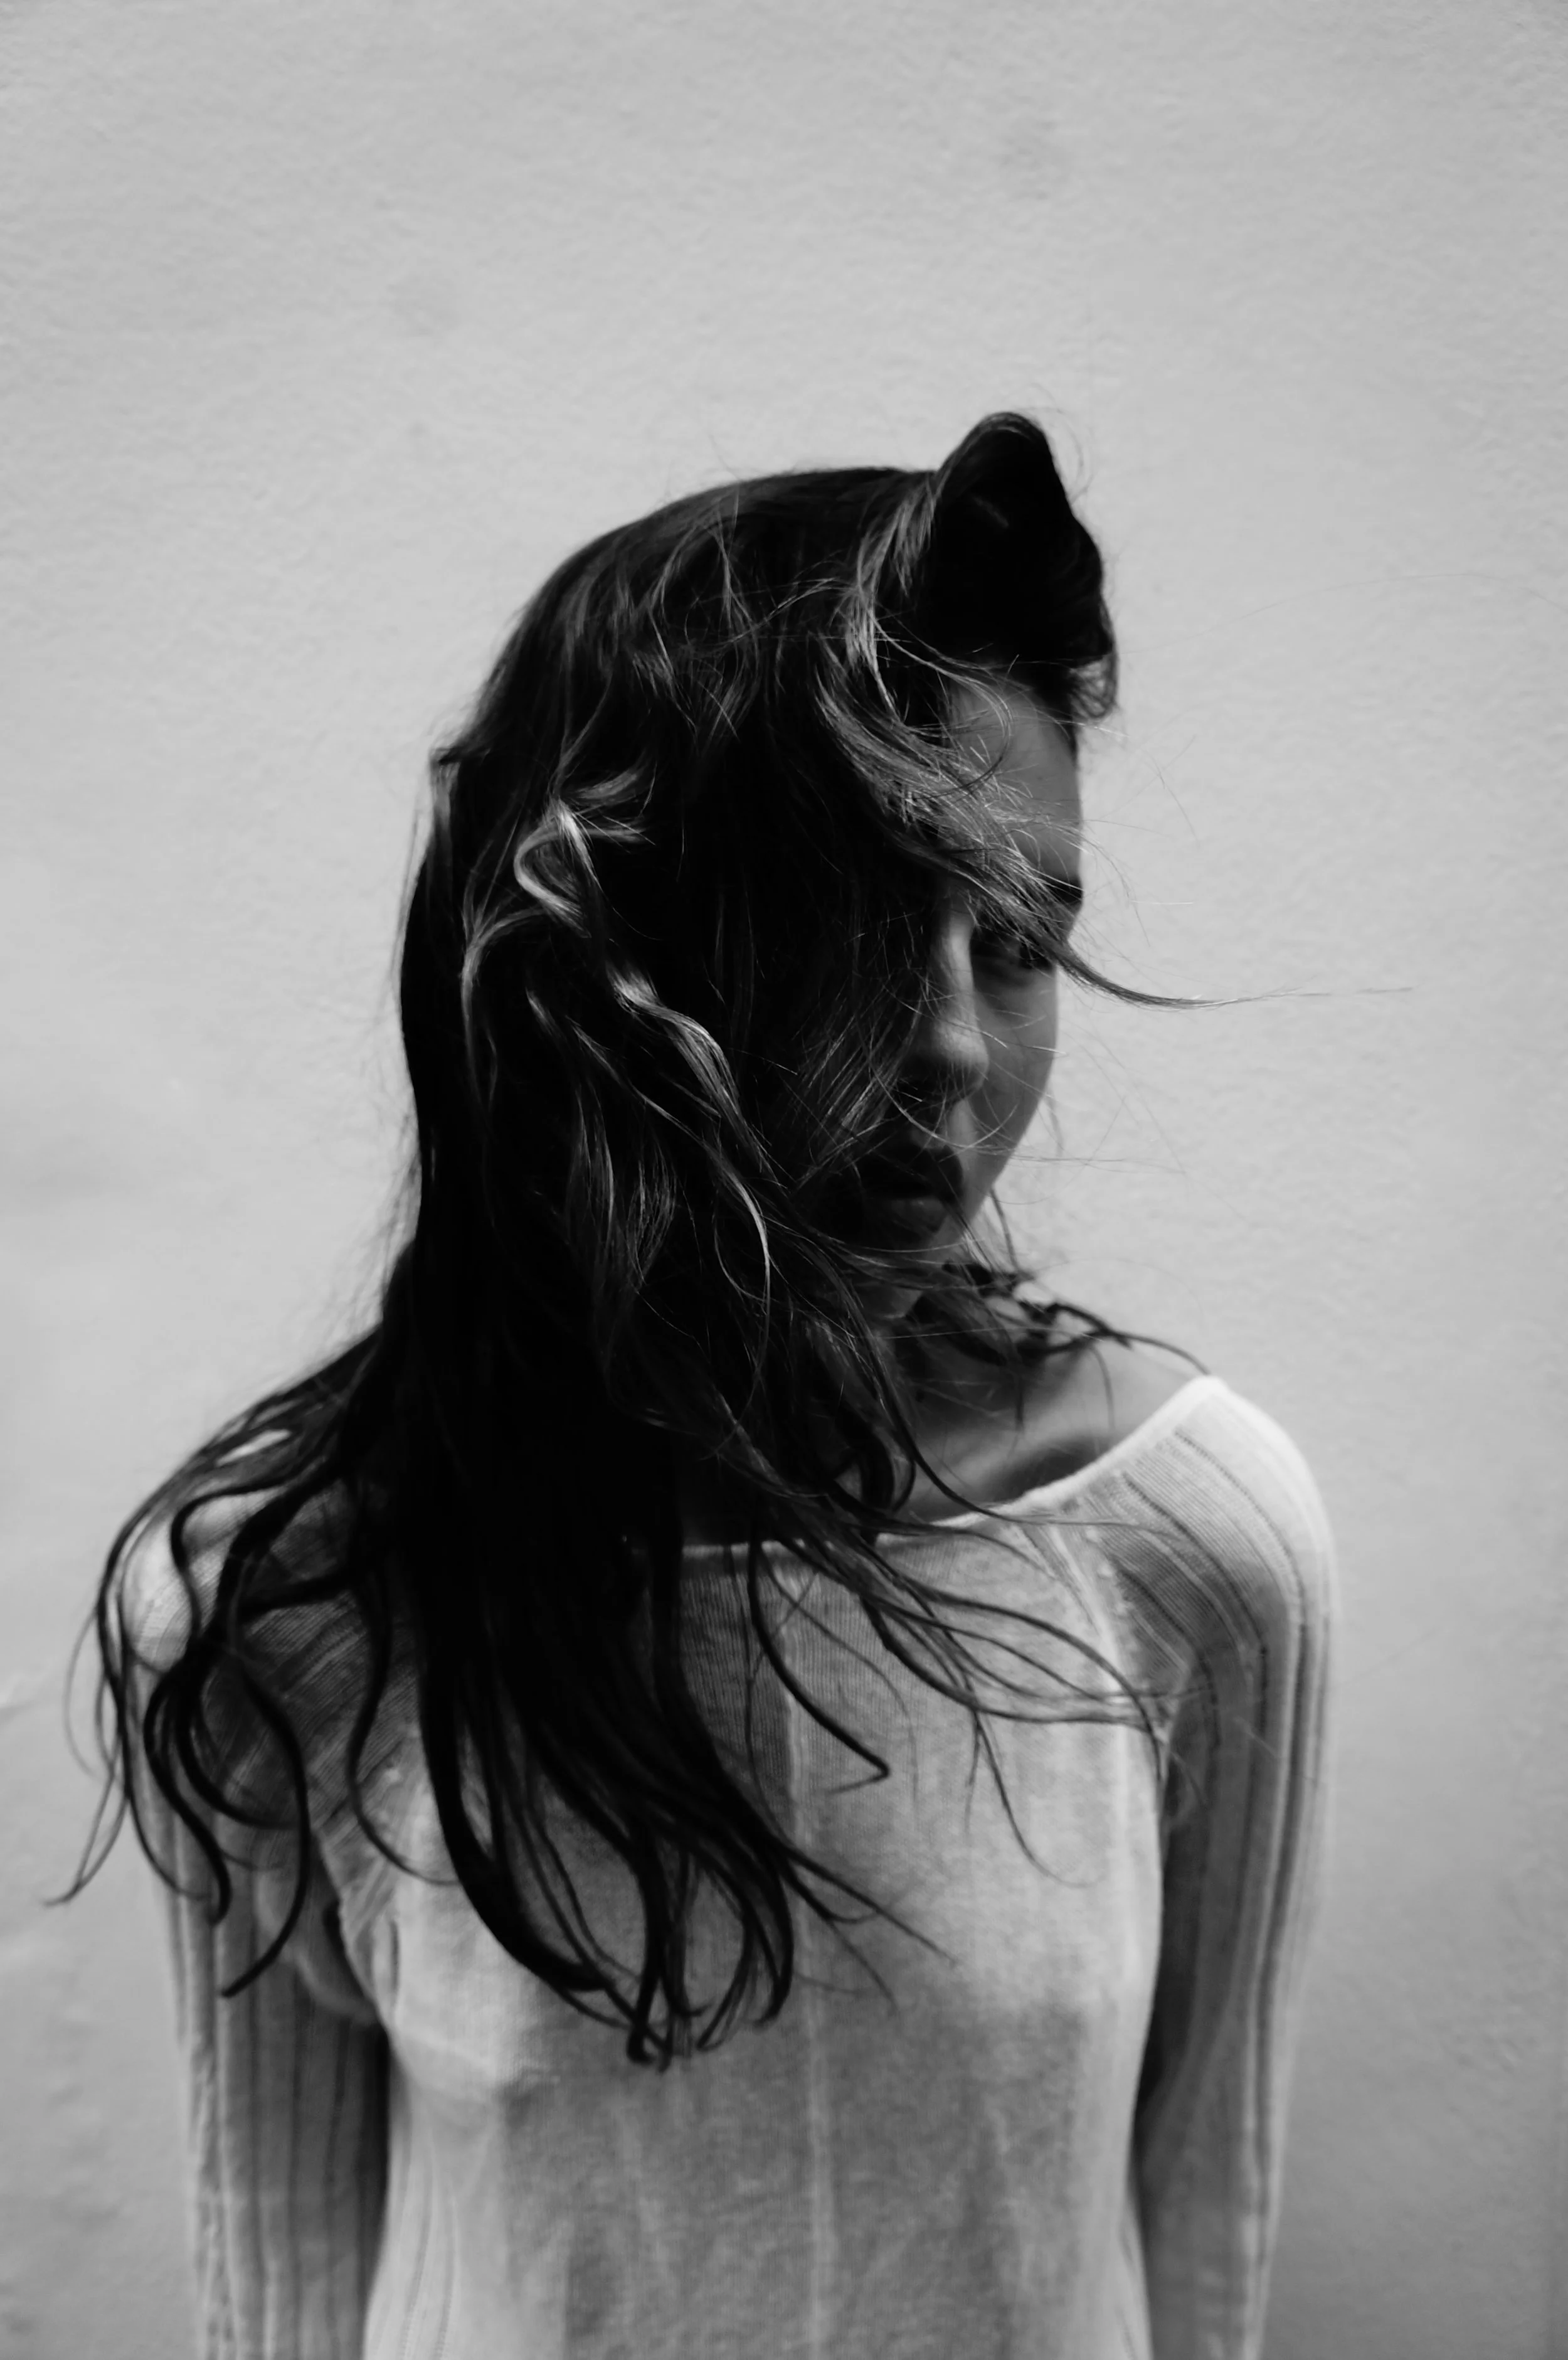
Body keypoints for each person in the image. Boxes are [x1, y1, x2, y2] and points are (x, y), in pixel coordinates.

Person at [77, 412, 1335, 2359]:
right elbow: (286, 2277)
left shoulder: (1186, 1542)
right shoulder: (295, 1593)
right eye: (848, 916)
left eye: (1016, 943)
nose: (945, 1044)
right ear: (608, 960)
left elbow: (1199, 2232)